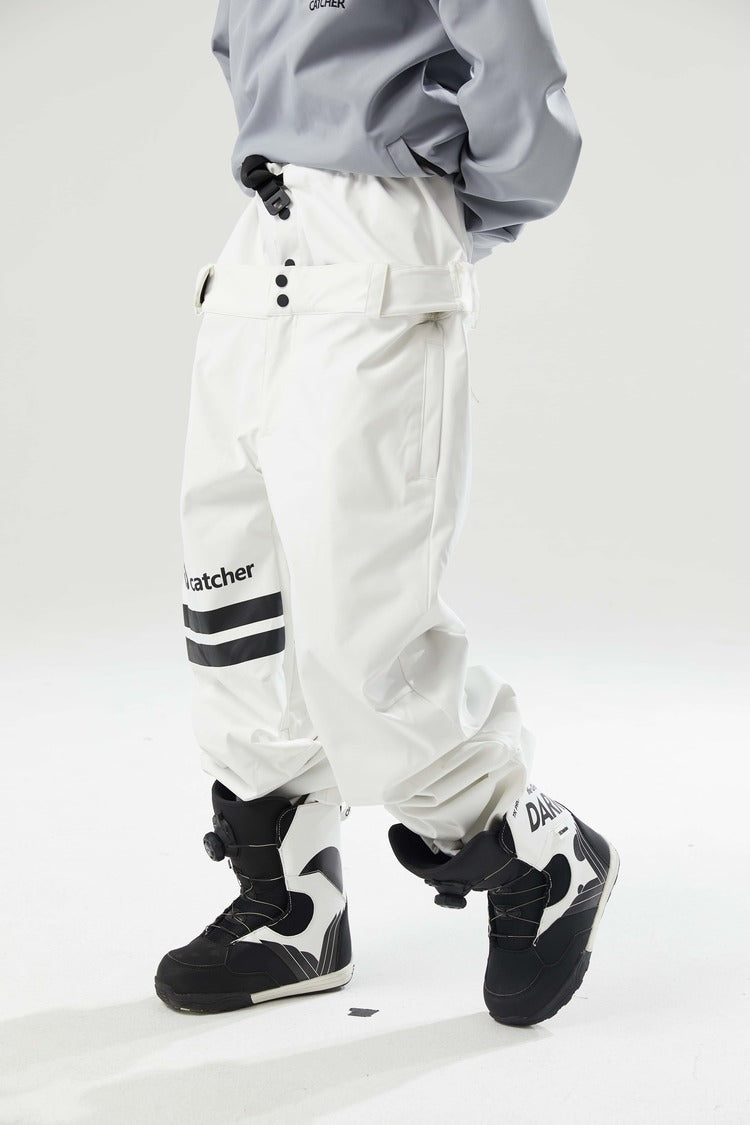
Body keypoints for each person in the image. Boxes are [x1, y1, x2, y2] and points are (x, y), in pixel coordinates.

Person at [154, 0, 619, 1027]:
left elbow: (518, 71)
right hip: (262, 232)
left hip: (376, 226)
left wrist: (435, 203)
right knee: (234, 597)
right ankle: (296, 906)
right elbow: (240, 45)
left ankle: (535, 848)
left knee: (359, 616)